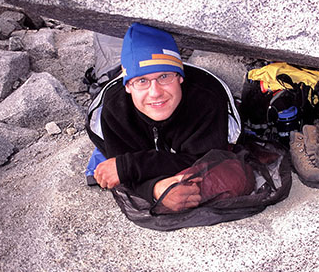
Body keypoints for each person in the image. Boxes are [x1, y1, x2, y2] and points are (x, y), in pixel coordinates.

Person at [92, 23, 230, 212]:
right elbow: (117, 174)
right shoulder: (114, 110)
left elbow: (205, 160)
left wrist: (129, 166)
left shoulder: (207, 100)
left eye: (164, 76)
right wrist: (155, 190)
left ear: (180, 77)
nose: (155, 92)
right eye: (141, 81)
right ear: (127, 87)